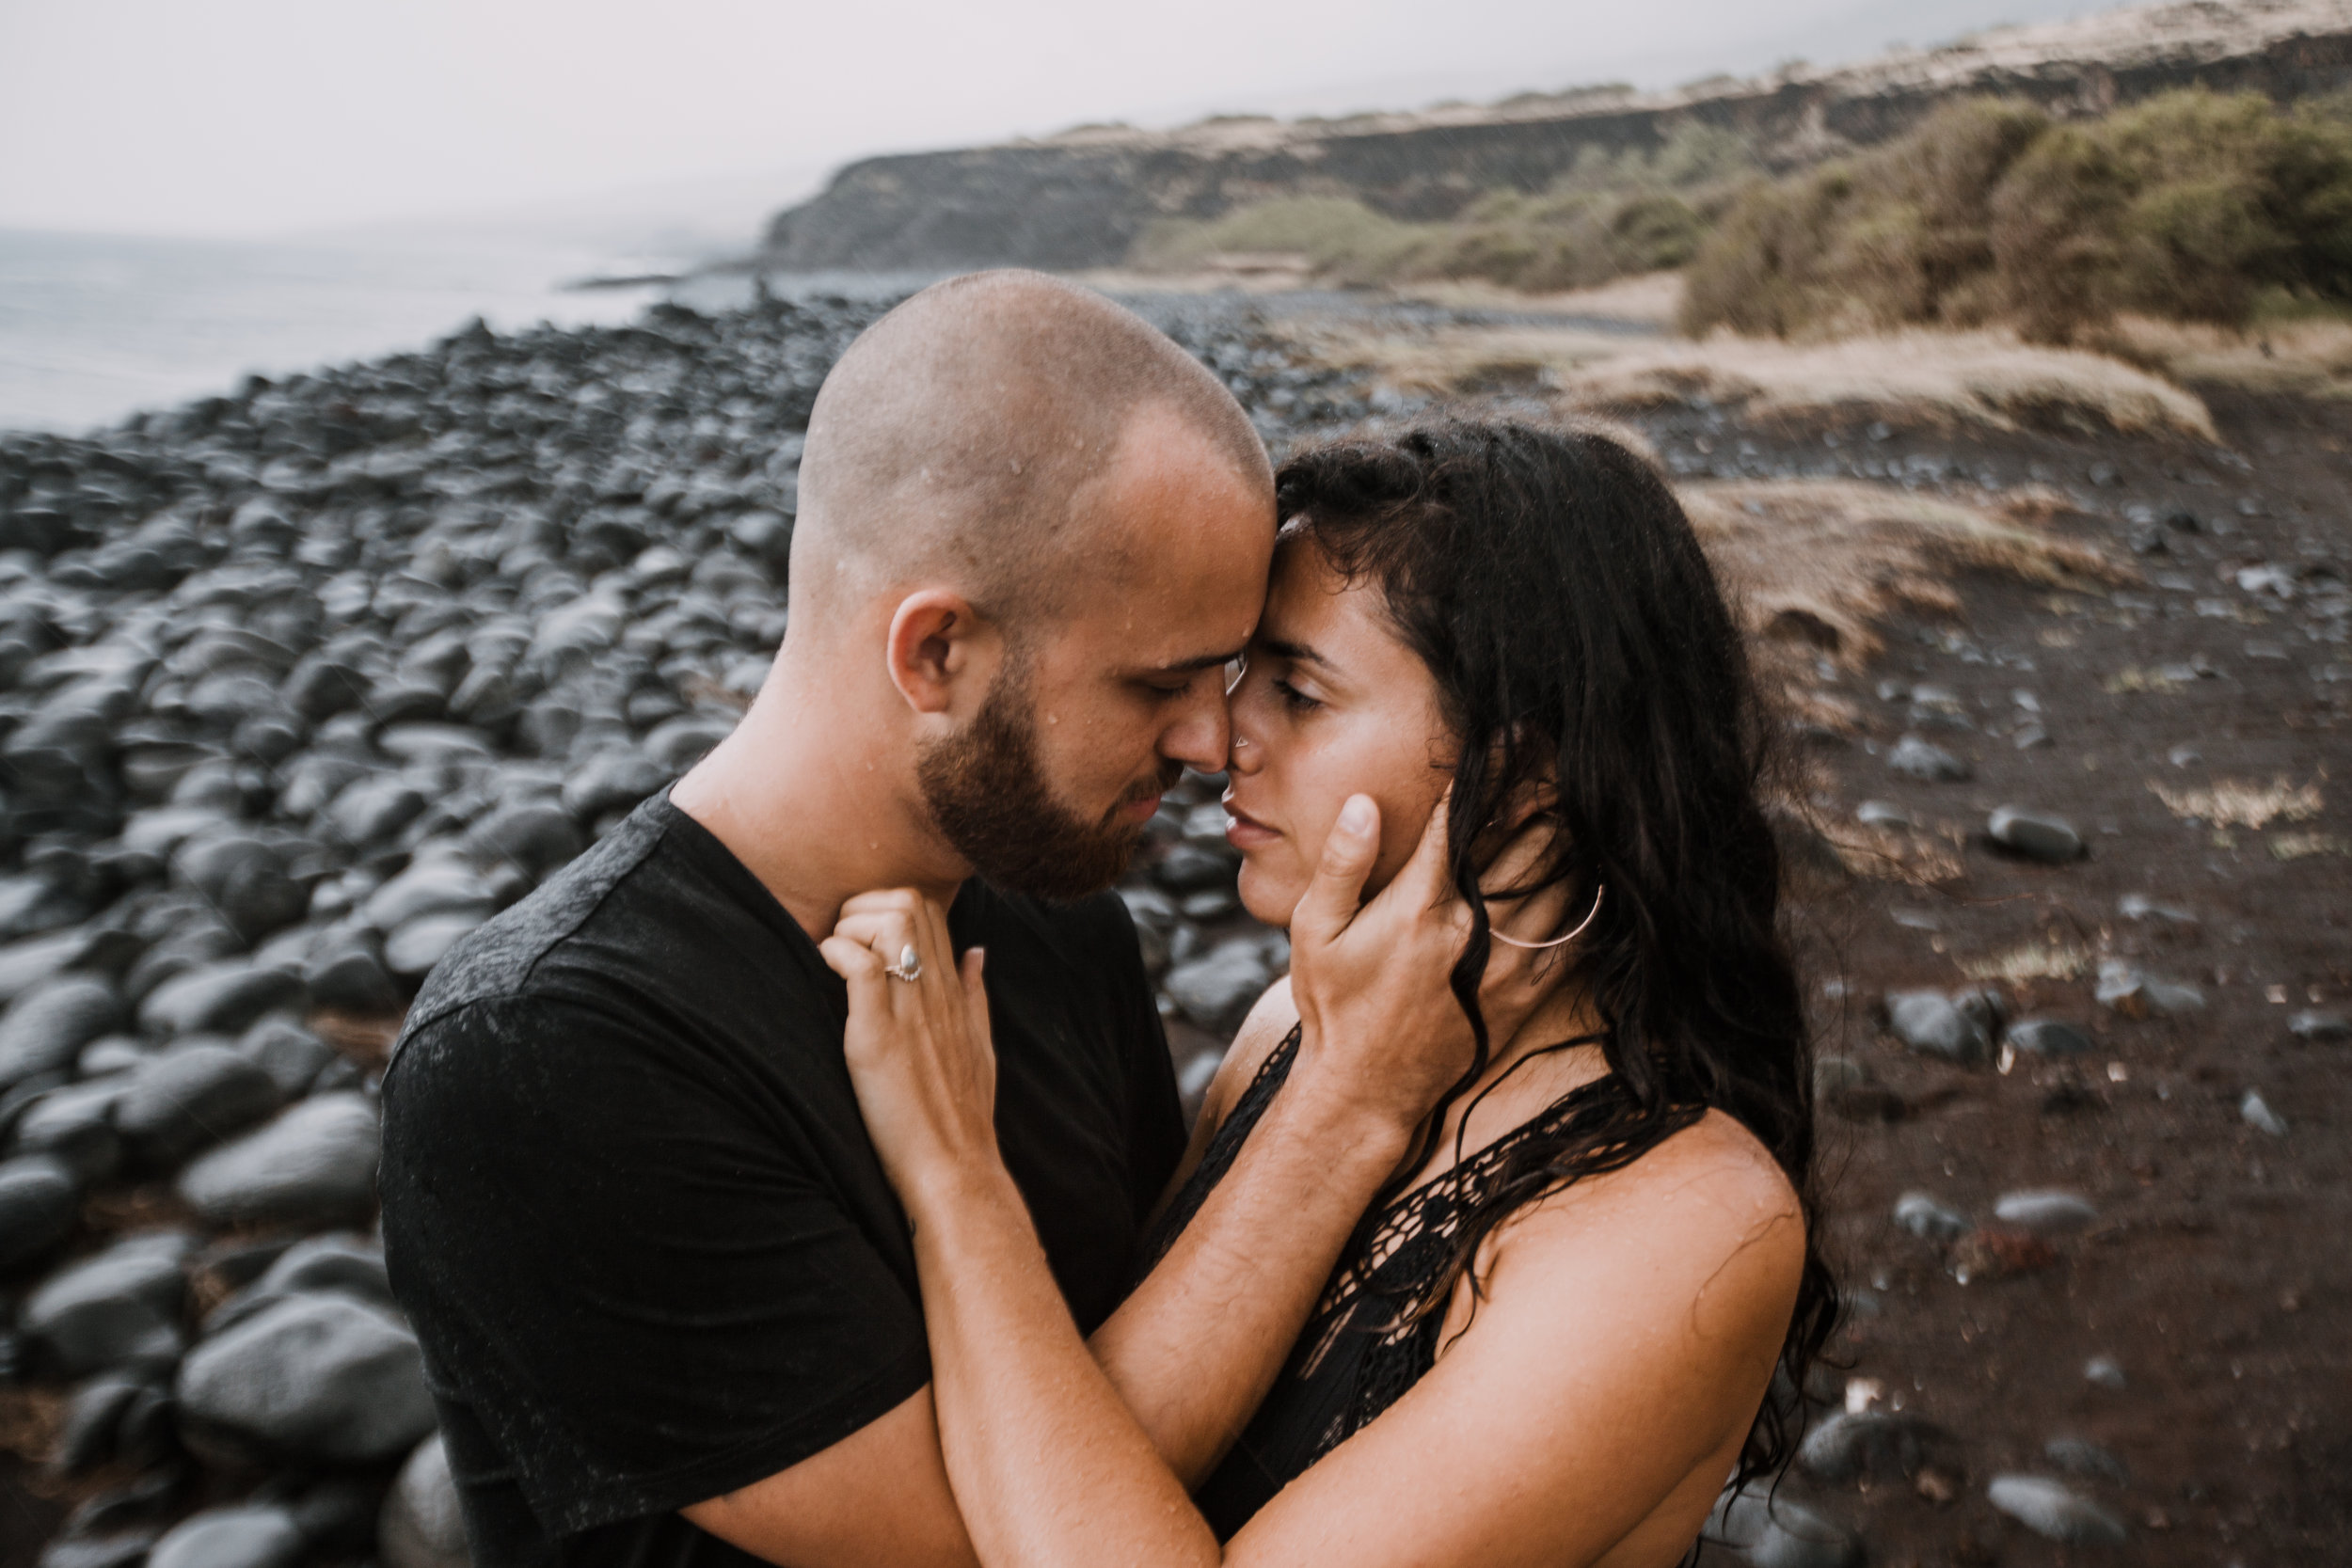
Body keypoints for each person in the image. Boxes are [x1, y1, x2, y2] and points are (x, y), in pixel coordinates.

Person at [378, 275, 1566, 1568]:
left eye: (1229, 676)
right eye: (1160, 682)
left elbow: (1133, 1378)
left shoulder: (1061, 929)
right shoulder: (544, 1053)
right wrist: (1349, 1096)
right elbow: (993, 1531)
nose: (1213, 741)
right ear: (935, 651)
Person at [824, 420, 1840, 1568]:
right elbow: (1100, 1445)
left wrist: (956, 1176)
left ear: (1528, 779)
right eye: (1236, 676)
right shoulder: (1288, 1030)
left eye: (1298, 694)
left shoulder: (1682, 1222)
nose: (1218, 740)